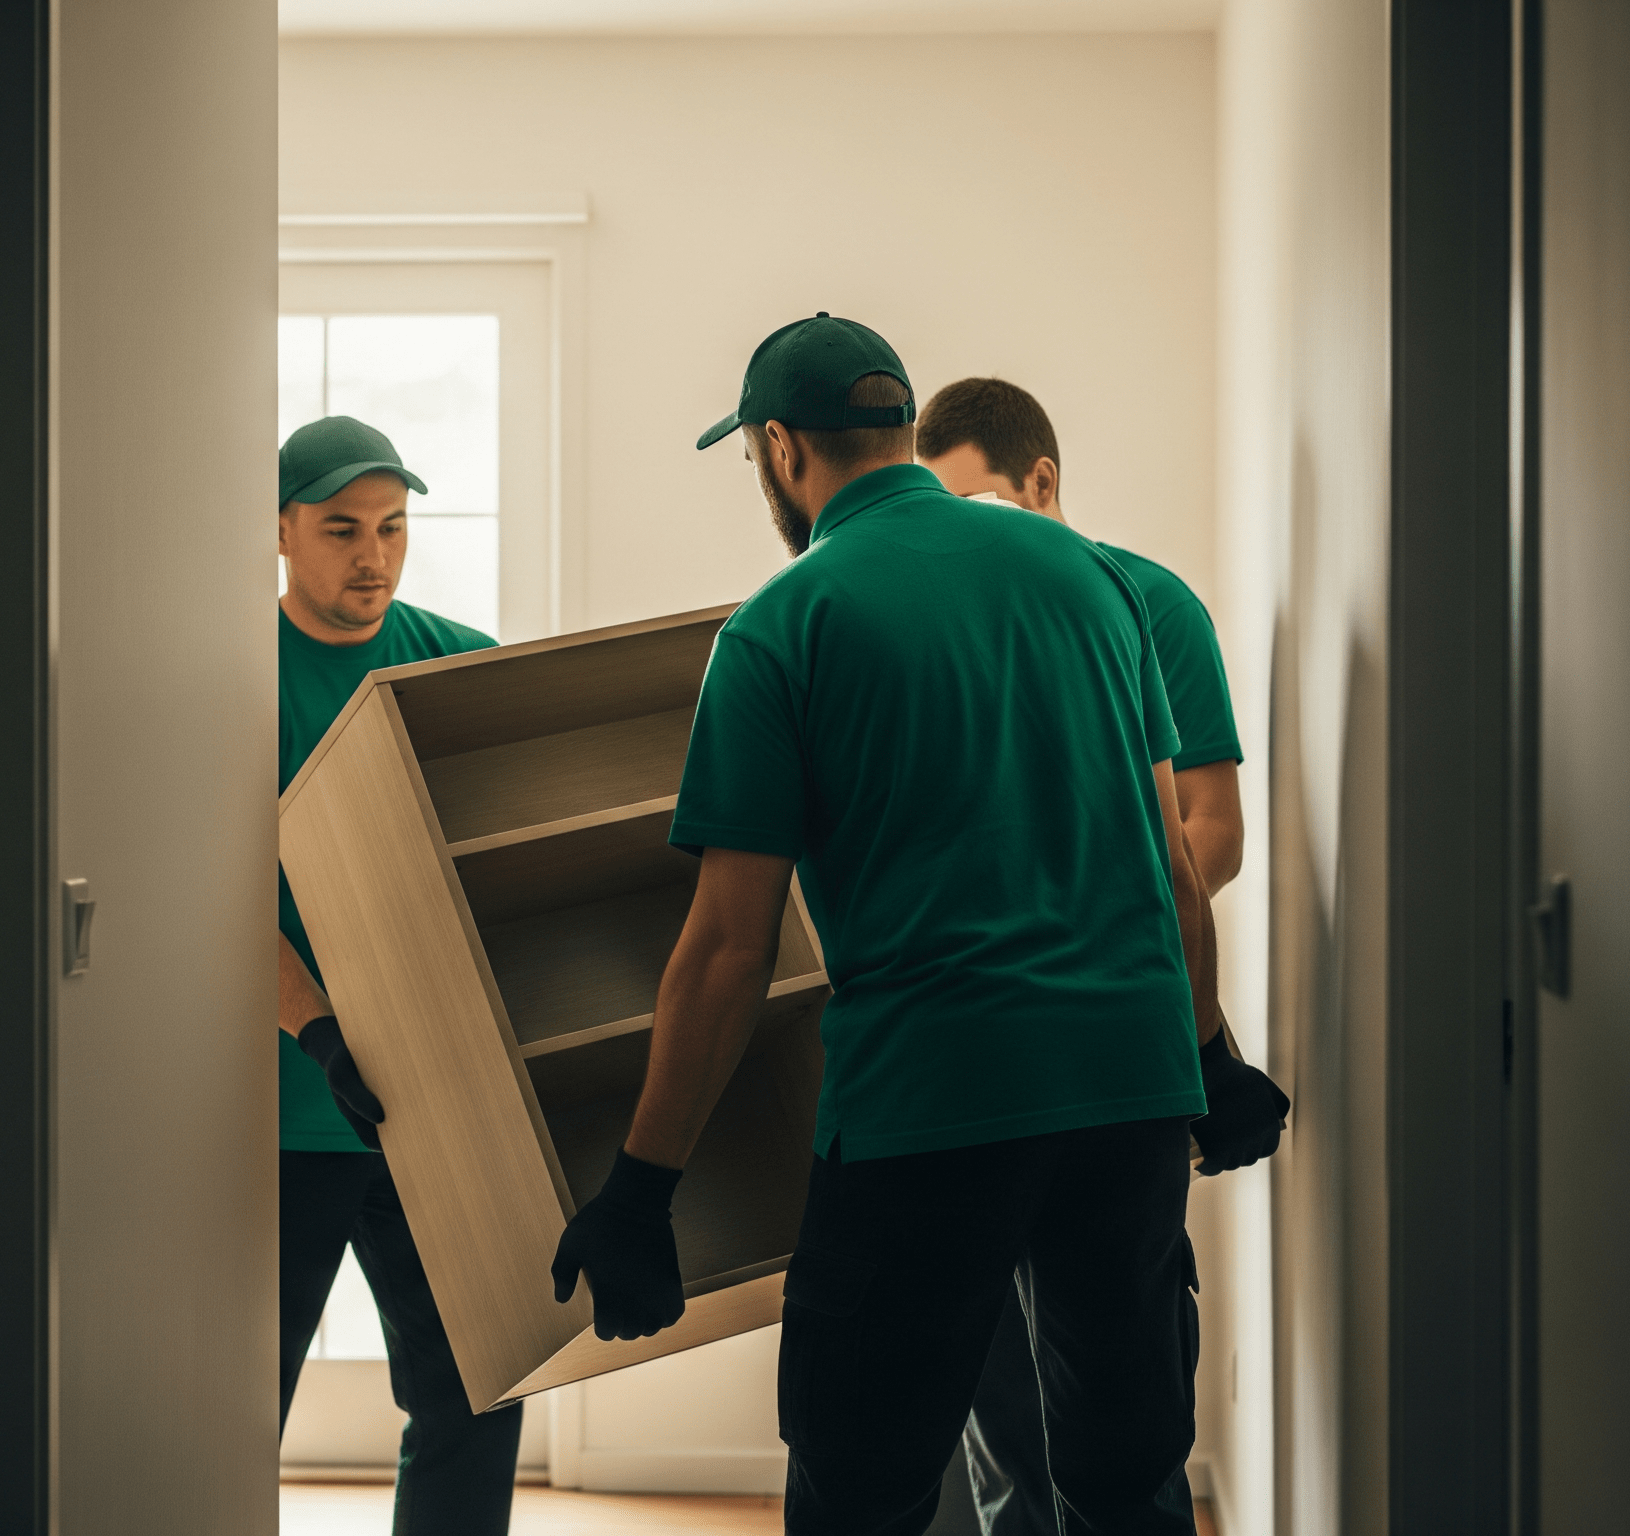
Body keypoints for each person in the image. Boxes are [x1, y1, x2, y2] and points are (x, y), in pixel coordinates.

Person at [544, 313, 1271, 1535]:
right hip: (1125, 1102)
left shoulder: (782, 624)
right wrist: (1210, 1059)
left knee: (862, 1483)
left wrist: (639, 1188)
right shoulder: (1091, 579)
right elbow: (1171, 872)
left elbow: (728, 946)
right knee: (1124, 1473)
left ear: (781, 450)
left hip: (931, 1112)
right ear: (896, 423)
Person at [917, 377, 1283, 1535]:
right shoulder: (924, 612)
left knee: (1117, 1424)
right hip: (969, 1066)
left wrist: (1072, 896)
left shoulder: (1144, 602)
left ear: (1044, 484)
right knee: (995, 1421)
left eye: (981, 505)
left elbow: (1211, 836)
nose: (960, 539)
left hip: (1111, 1057)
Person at [273, 415, 520, 1534]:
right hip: (288, 1115)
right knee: (235, 1405)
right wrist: (322, 1036)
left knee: (473, 1391)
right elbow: (209, 899)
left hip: (436, 1117)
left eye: (391, 527)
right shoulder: (227, 681)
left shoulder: (458, 663)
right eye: (340, 530)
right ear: (281, 531)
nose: (372, 555)